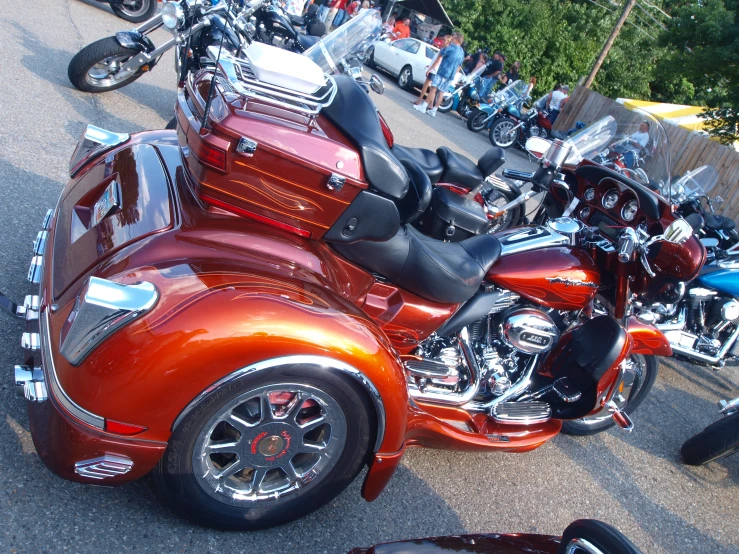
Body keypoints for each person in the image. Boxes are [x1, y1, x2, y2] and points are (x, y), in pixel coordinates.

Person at [414, 32, 465, 117]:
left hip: (442, 72)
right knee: (442, 92)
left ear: (456, 39)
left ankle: (423, 107)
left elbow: (440, 55)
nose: (452, 38)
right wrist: (453, 74)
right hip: (451, 75)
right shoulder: (462, 52)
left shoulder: (451, 47)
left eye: (453, 37)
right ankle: (434, 110)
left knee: (433, 89)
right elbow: (459, 66)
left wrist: (430, 69)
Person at [412, 34, 453, 106]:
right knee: (432, 89)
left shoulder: (444, 50)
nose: (443, 41)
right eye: (443, 39)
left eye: (445, 40)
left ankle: (419, 101)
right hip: (436, 70)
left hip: (434, 70)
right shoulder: (445, 50)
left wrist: (430, 69)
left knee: (426, 86)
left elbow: (438, 61)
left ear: (448, 42)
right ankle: (430, 105)